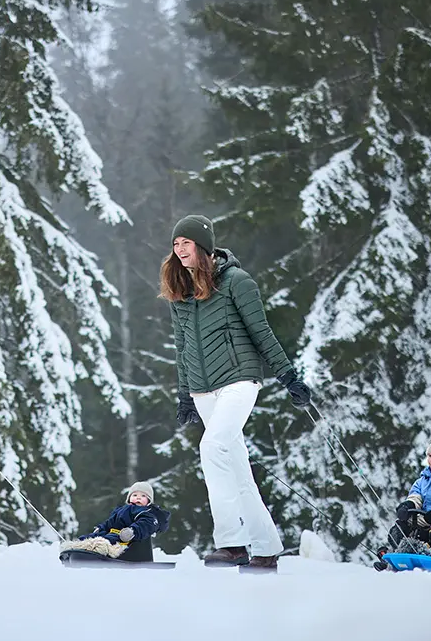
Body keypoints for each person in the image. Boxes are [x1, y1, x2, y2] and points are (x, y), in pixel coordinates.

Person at [160, 215, 312, 571]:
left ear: (204, 245)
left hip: (239, 380)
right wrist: (184, 395)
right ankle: (265, 547)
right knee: (236, 467)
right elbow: (181, 348)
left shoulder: (236, 282)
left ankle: (230, 543)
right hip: (202, 390)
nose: (180, 249)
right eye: (175, 244)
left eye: (187, 242)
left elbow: (262, 333)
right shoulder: (179, 292)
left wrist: (289, 377)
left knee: (212, 448)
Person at [376, 433, 431, 565]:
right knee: (399, 529)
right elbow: (416, 495)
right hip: (421, 520)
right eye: (430, 456)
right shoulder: (423, 479)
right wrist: (408, 505)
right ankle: (397, 555)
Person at [62, 481, 171, 562]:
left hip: (128, 540)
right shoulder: (121, 510)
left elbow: (145, 524)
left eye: (143, 496)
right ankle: (78, 546)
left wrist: (132, 531)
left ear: (148, 501)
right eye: (135, 495)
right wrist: (101, 528)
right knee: (96, 536)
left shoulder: (147, 512)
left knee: (107, 540)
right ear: (129, 498)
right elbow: (110, 523)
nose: (138, 498)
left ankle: (95, 550)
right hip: (114, 533)